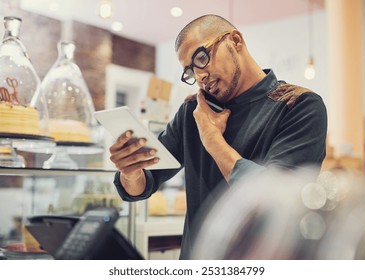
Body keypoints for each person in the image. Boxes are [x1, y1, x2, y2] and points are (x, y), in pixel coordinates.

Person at [109, 14, 327, 259]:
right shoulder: (192, 112)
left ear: (235, 41)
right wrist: (131, 171)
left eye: (201, 58)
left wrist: (213, 141)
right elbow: (143, 184)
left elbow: (274, 204)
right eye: (190, 71)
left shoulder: (299, 105)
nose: (199, 76)